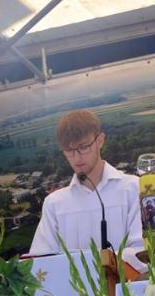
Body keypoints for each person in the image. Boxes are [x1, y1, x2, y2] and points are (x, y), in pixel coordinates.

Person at [29, 110, 145, 269]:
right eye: (69, 150)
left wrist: (99, 263)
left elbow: (143, 251)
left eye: (83, 147)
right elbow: (41, 263)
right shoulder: (54, 204)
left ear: (100, 140)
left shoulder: (133, 188)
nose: (77, 157)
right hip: (72, 285)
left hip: (125, 284)